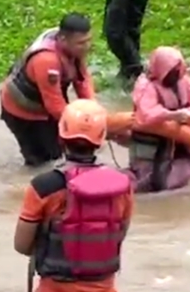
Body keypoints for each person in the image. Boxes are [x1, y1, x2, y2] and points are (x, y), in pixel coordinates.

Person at [14, 99, 134, 292]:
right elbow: (119, 235)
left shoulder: (43, 187)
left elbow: (21, 245)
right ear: (102, 139)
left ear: (61, 136)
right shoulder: (122, 187)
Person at [0, 13, 95, 166]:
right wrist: (85, 128)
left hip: (47, 96)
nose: (87, 46)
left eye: (89, 40)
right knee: (45, 160)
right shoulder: (46, 61)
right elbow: (55, 104)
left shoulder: (72, 47)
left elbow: (82, 80)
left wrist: (94, 112)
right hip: (23, 111)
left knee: (66, 147)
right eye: (81, 43)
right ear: (63, 39)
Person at [123, 46, 190, 192]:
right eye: (172, 71)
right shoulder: (145, 86)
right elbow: (146, 114)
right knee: (146, 181)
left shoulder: (184, 82)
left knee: (189, 173)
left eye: (178, 70)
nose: (176, 74)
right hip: (151, 146)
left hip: (178, 146)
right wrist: (172, 116)